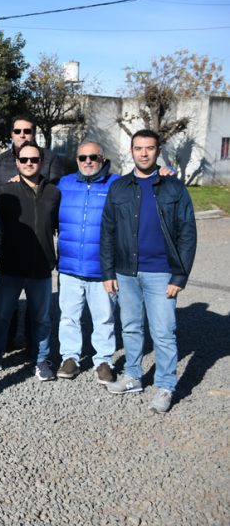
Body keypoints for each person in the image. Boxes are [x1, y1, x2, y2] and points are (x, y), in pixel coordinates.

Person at [101, 129, 197, 413]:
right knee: (131, 327)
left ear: (158, 150)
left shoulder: (173, 187)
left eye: (149, 148)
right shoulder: (119, 187)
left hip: (161, 273)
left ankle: (166, 386)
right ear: (131, 150)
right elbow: (107, 232)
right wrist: (108, 272)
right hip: (125, 272)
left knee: (163, 331)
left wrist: (179, 276)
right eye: (138, 148)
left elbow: (188, 233)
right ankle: (133, 376)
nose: (143, 153)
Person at [0, 140, 61, 381]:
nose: (28, 163)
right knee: (2, 316)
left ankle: (40, 359)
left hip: (41, 268)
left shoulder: (54, 193)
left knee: (41, 319)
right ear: (16, 162)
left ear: (41, 162)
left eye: (34, 159)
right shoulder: (4, 192)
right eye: (24, 159)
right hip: (10, 267)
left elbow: (59, 226)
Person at [55, 142, 120, 384]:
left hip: (101, 268)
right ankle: (70, 357)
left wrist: (166, 173)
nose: (88, 161)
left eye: (94, 157)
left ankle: (103, 359)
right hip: (70, 266)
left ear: (103, 159)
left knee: (104, 316)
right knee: (69, 315)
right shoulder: (65, 184)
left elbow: (143, 183)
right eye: (83, 157)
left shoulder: (117, 184)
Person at [0, 114, 63, 193]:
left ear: (33, 134)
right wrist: (8, 187)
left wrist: (30, 183)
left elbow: (57, 192)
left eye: (27, 131)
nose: (22, 135)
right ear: (12, 134)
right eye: (17, 131)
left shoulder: (51, 159)